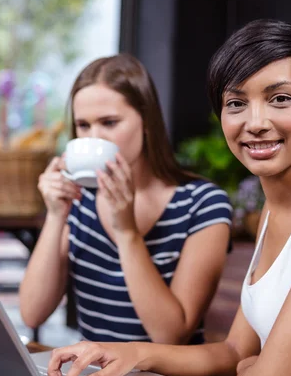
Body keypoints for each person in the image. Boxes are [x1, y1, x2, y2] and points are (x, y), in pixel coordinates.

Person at [46, 19, 291, 376]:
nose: (255, 122)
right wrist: (131, 352)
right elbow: (235, 354)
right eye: (236, 103)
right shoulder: (273, 208)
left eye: (280, 99)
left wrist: (254, 372)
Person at [19, 54, 233, 346]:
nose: (94, 137)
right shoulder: (80, 200)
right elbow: (32, 314)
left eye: (109, 122)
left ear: (146, 121)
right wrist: (56, 216)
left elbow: (171, 335)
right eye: (83, 125)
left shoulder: (203, 204)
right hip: (92, 375)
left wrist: (127, 232)